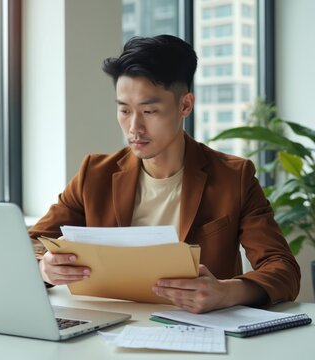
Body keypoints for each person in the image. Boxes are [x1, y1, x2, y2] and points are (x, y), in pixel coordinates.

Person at [28, 35, 300, 314]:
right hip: (108, 328)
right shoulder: (95, 174)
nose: (134, 127)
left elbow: (283, 268)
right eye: (124, 110)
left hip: (198, 332)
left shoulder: (234, 177)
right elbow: (31, 241)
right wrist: (43, 267)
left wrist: (225, 292)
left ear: (185, 106)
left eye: (149, 111)